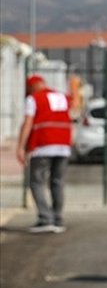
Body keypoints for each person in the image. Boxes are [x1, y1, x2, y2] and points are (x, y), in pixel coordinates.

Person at [16, 75, 73, 233]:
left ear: (31, 87)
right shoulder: (62, 97)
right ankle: (58, 219)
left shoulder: (34, 99)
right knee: (57, 182)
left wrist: (21, 147)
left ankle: (45, 218)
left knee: (36, 182)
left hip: (43, 145)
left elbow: (28, 123)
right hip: (63, 146)